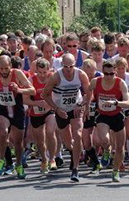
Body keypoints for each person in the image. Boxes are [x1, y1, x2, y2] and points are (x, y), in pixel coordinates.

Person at [0, 56, 35, 179]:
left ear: (10, 66)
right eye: (1, 68)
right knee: (2, 132)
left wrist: (19, 89)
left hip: (17, 109)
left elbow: (32, 90)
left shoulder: (17, 74)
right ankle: (2, 160)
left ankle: (18, 165)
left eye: (6, 68)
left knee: (18, 142)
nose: (4, 71)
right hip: (2, 109)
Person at [43, 53, 90, 182]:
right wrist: (56, 109)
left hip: (75, 109)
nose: (69, 69)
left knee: (78, 135)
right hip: (61, 111)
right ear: (62, 65)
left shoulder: (80, 74)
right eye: (66, 66)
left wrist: (80, 104)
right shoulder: (56, 77)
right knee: (69, 143)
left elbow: (89, 92)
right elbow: (45, 95)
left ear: (75, 64)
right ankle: (73, 151)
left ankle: (75, 169)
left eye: (71, 66)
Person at [86, 60, 129, 182]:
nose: (108, 77)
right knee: (104, 139)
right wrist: (86, 107)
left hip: (117, 115)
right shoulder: (96, 82)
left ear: (115, 72)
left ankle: (116, 171)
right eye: (106, 74)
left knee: (120, 147)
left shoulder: (120, 83)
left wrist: (116, 103)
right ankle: (106, 150)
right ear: (102, 72)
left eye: (111, 74)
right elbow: (89, 90)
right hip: (102, 115)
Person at [24, 58, 57, 173]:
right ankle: (44, 159)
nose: (42, 75)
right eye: (40, 72)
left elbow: (59, 93)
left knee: (50, 132)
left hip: (50, 111)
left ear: (49, 70)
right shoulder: (31, 80)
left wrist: (51, 103)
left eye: (45, 72)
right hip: (36, 112)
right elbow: (25, 100)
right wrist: (36, 103)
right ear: (36, 71)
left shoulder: (53, 78)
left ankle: (52, 159)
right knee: (40, 141)